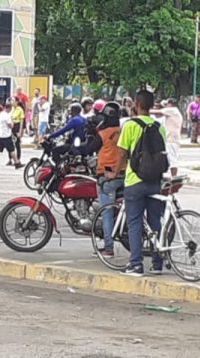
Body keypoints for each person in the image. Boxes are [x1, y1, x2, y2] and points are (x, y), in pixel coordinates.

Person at [107, 90, 166, 277]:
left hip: (135, 180)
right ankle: (157, 263)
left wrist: (115, 173)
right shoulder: (159, 126)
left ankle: (136, 264)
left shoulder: (130, 125)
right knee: (155, 221)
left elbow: (122, 153)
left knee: (134, 223)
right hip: (155, 180)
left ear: (137, 105)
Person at [78, 102, 123, 257]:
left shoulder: (103, 134)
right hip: (123, 174)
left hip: (107, 177)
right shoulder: (122, 131)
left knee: (106, 213)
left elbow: (88, 149)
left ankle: (108, 248)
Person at [150, 98, 183, 176]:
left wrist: (145, 109)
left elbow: (157, 112)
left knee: (172, 160)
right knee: (168, 159)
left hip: (172, 139)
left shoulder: (172, 110)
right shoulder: (173, 112)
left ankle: (174, 177)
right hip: (171, 139)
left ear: (170, 104)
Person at [0, 99, 23, 169]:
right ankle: (17, 163)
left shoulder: (1, 114)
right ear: (9, 109)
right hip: (6, 136)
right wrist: (12, 121)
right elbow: (10, 125)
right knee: (12, 150)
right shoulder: (7, 116)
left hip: (1, 135)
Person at [10, 96, 25, 161]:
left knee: (17, 144)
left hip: (17, 126)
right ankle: (10, 159)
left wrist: (20, 131)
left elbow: (22, 121)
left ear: (17, 102)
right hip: (11, 126)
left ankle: (18, 158)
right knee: (10, 143)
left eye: (13, 100)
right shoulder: (12, 109)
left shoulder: (20, 109)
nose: (11, 102)